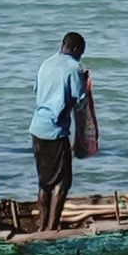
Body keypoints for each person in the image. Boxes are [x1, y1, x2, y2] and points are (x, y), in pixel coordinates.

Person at [29, 31, 87, 231]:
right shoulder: (74, 68)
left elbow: (38, 91)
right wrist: (80, 139)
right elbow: (80, 104)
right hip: (55, 132)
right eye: (80, 53)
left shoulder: (46, 64)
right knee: (63, 182)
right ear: (76, 49)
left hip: (37, 129)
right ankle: (52, 228)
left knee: (44, 181)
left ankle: (42, 225)